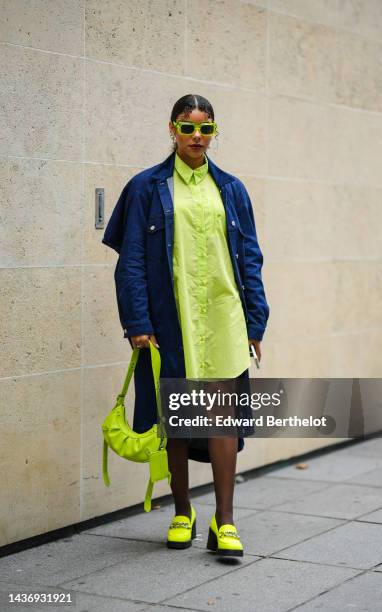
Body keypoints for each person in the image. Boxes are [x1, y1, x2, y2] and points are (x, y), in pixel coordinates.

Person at [102, 94, 269, 557]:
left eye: (206, 129)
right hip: (169, 319)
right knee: (175, 418)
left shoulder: (232, 189)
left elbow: (250, 259)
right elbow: (130, 261)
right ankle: (181, 511)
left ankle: (225, 521)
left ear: (215, 132)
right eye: (188, 127)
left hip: (223, 316)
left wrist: (255, 320)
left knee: (221, 419)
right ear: (171, 130)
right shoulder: (145, 187)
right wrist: (137, 320)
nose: (198, 137)